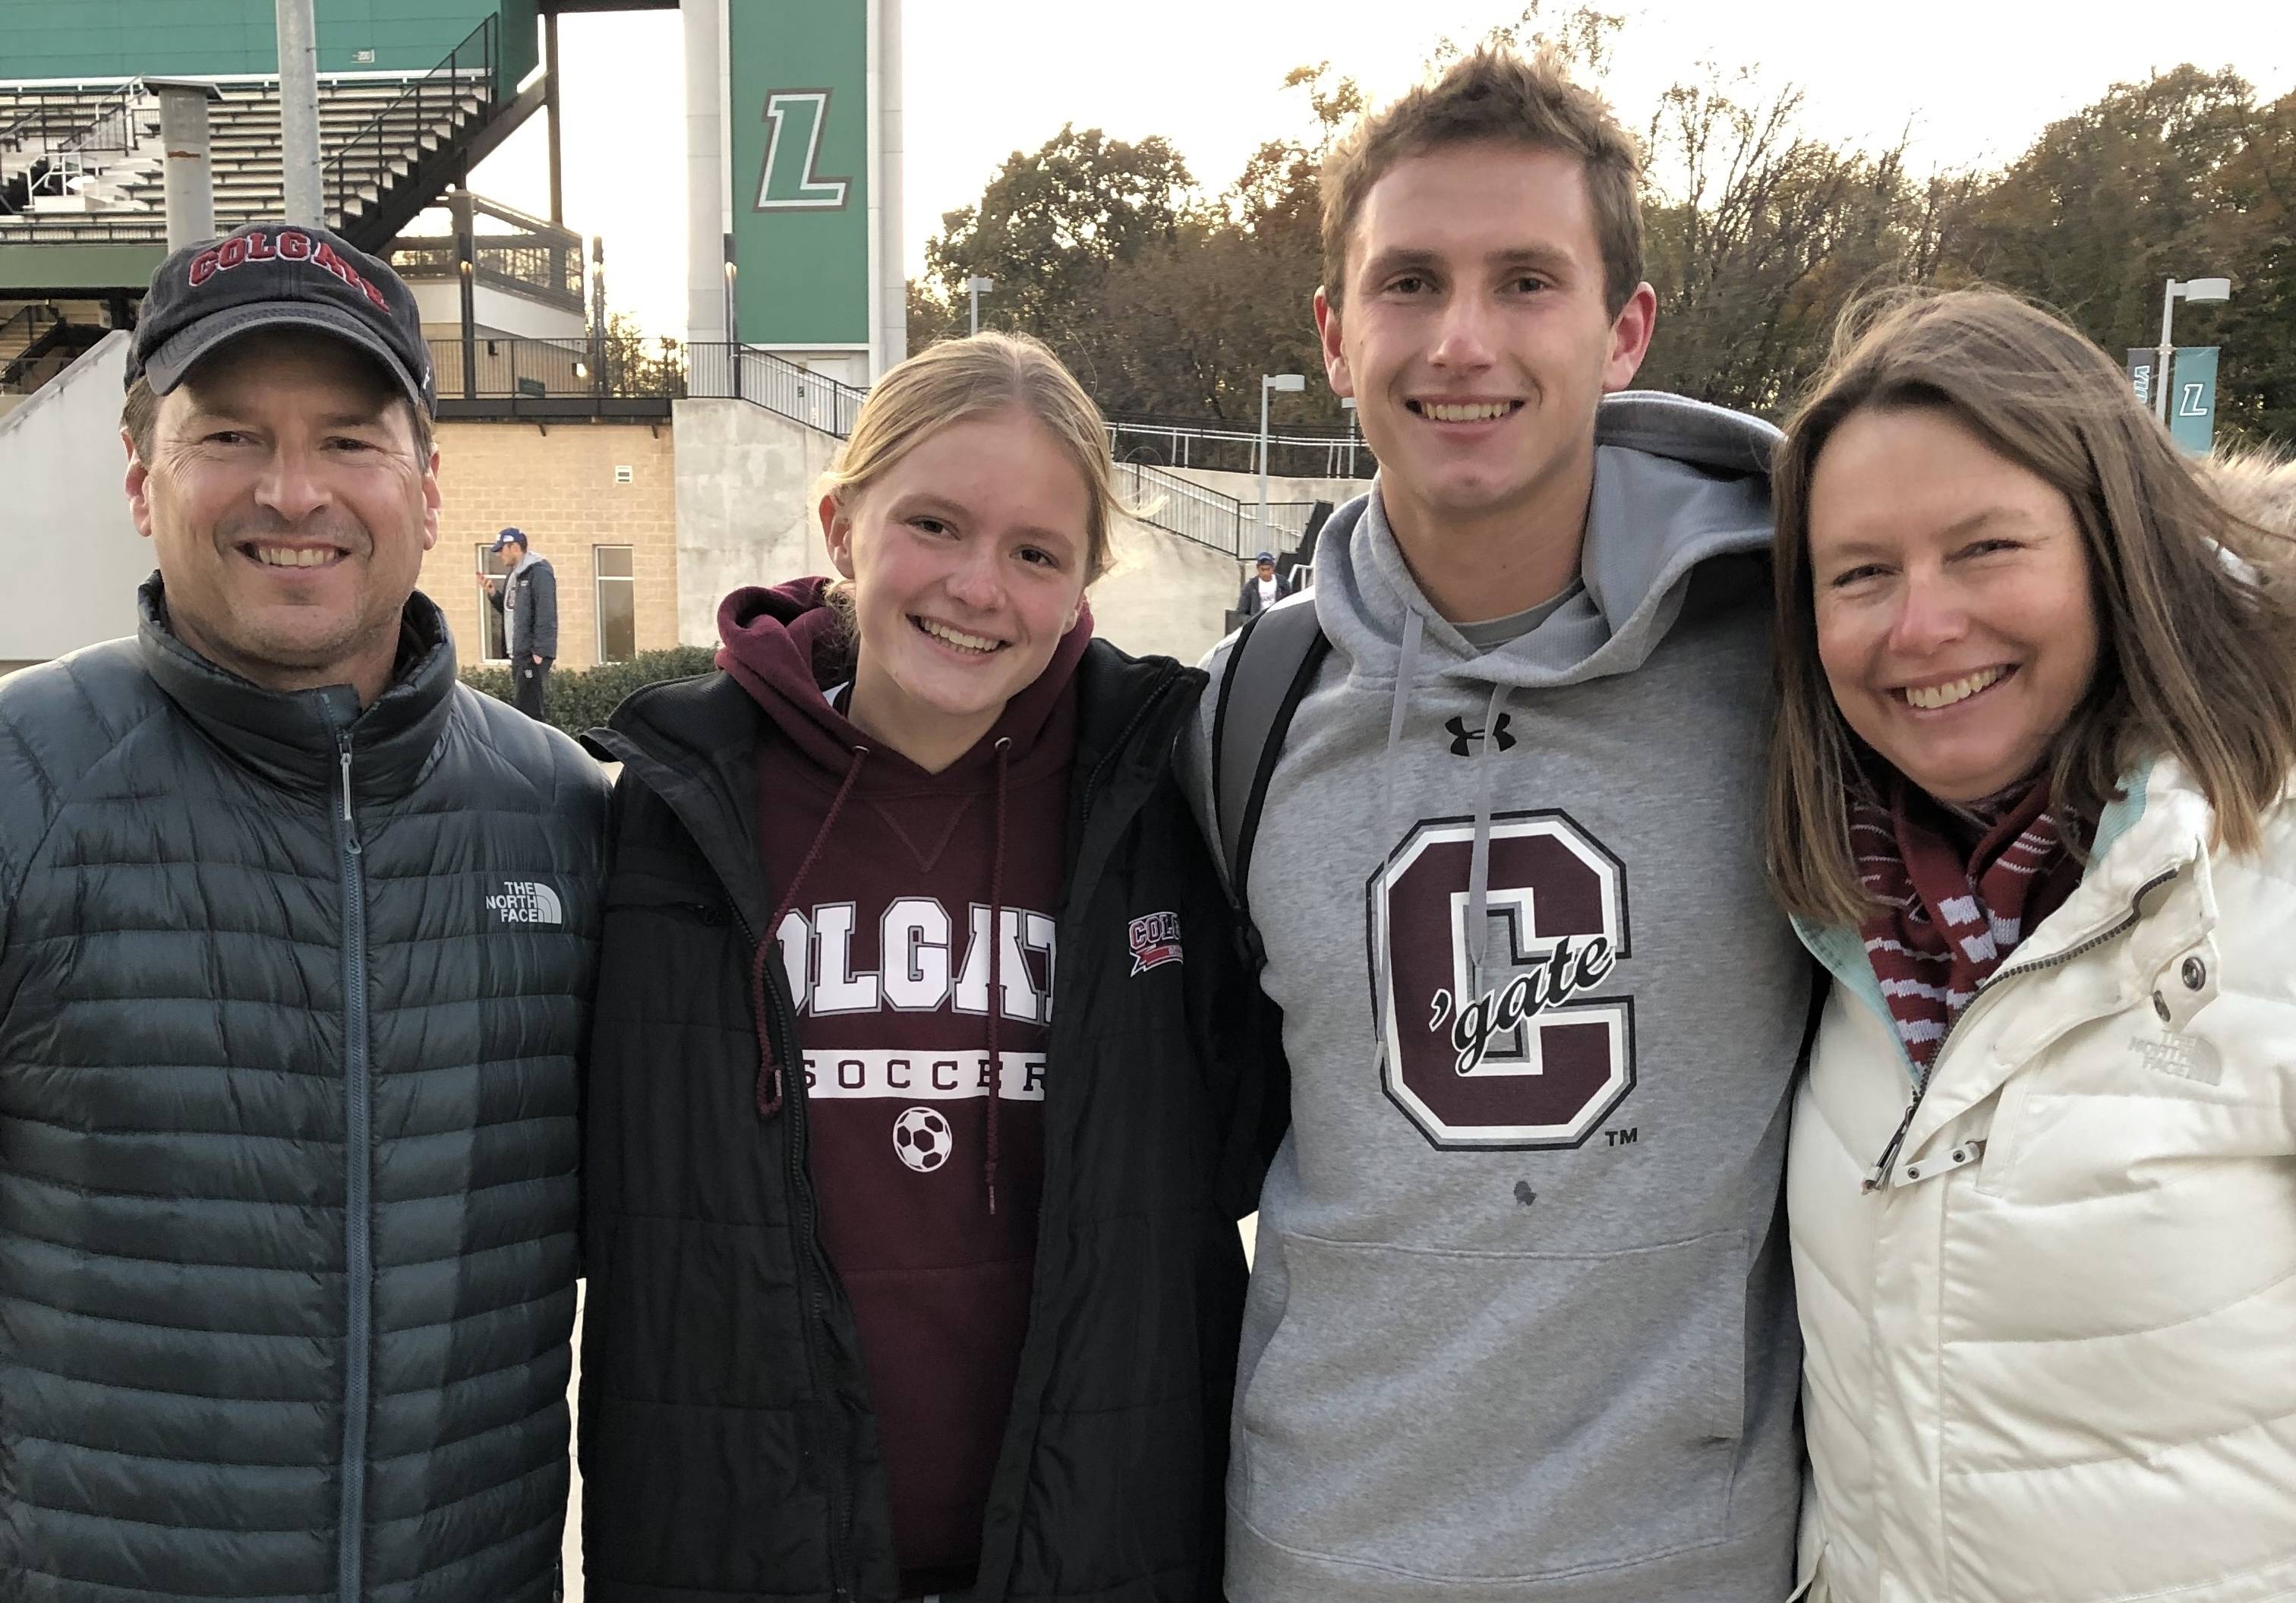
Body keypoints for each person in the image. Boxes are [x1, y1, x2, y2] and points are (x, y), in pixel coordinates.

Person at [1183, 46, 1808, 1603]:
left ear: (1625, 326)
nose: (1462, 340)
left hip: (1694, 1559)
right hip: (1315, 1547)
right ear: (1336, 336)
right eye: (1410, 282)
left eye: (1528, 280)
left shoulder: (1805, 665)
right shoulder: (1240, 713)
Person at [578, 331, 1273, 1603]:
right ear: (842, 525)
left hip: (1093, 1537)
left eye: (1033, 553)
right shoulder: (671, 808)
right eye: (935, 525)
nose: (975, 585)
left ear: (1083, 584)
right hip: (749, 1538)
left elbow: (1248, 1138)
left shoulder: (1168, 808)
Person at [0, 220, 606, 1599]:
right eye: (227, 437)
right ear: (144, 480)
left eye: (348, 439)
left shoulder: (566, 815)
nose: (292, 491)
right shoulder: (22, 789)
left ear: (430, 489)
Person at [1767, 288, 2296, 1602]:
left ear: (2112, 547)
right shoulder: (1833, 909)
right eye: (1860, 573)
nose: (1920, 625)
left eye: (1984, 547)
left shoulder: (2263, 884)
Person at [480, 524, 558, 718]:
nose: (499, 555)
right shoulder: (515, 575)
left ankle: (535, 748)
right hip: (519, 654)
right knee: (523, 708)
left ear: (514, 547)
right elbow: (512, 612)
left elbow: (546, 612)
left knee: (529, 710)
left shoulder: (538, 572)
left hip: (531, 656)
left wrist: (539, 652)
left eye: (501, 550)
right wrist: (493, 593)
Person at [1235, 551, 1292, 617]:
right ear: (1258, 568)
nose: (1265, 573)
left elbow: (1290, 600)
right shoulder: (1251, 586)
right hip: (1259, 620)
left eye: (1268, 569)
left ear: (1273, 568)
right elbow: (1242, 610)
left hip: (1278, 618)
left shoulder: (1282, 583)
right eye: (1263, 570)